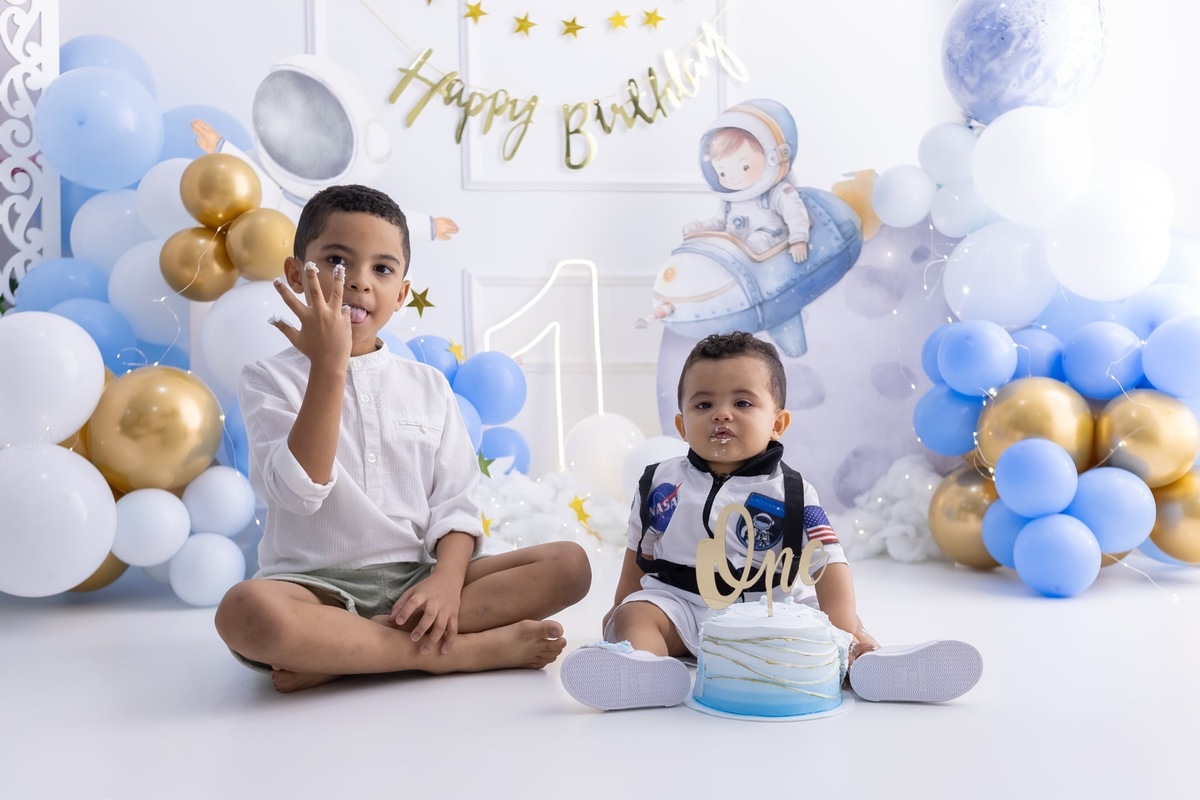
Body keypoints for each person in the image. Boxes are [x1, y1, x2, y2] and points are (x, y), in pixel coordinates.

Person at [215, 184, 591, 693]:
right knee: (245, 612)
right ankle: (453, 654)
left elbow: (455, 504)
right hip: (312, 587)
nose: (359, 284)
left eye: (382, 270)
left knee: (569, 565)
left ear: (402, 292)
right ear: (295, 274)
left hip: (419, 581)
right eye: (336, 262)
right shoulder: (267, 378)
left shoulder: (428, 386)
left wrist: (445, 583)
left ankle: (349, 652)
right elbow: (300, 493)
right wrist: (329, 363)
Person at [559, 331, 982, 710]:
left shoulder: (793, 492)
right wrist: (619, 610)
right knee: (638, 617)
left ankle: (867, 663)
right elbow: (639, 553)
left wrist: (842, 629)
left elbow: (830, 564)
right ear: (681, 425)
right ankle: (644, 670)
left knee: (828, 625)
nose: (722, 414)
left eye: (742, 402)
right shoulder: (659, 483)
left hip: (770, 609)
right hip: (681, 605)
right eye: (704, 404)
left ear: (777, 423)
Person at [682, 100, 812, 263]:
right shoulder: (730, 200)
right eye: (722, 172)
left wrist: (799, 240)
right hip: (736, 251)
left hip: (769, 243)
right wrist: (700, 228)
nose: (734, 178)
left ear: (775, 157)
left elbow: (795, 214)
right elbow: (720, 221)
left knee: (754, 242)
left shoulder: (777, 193)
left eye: (744, 167)